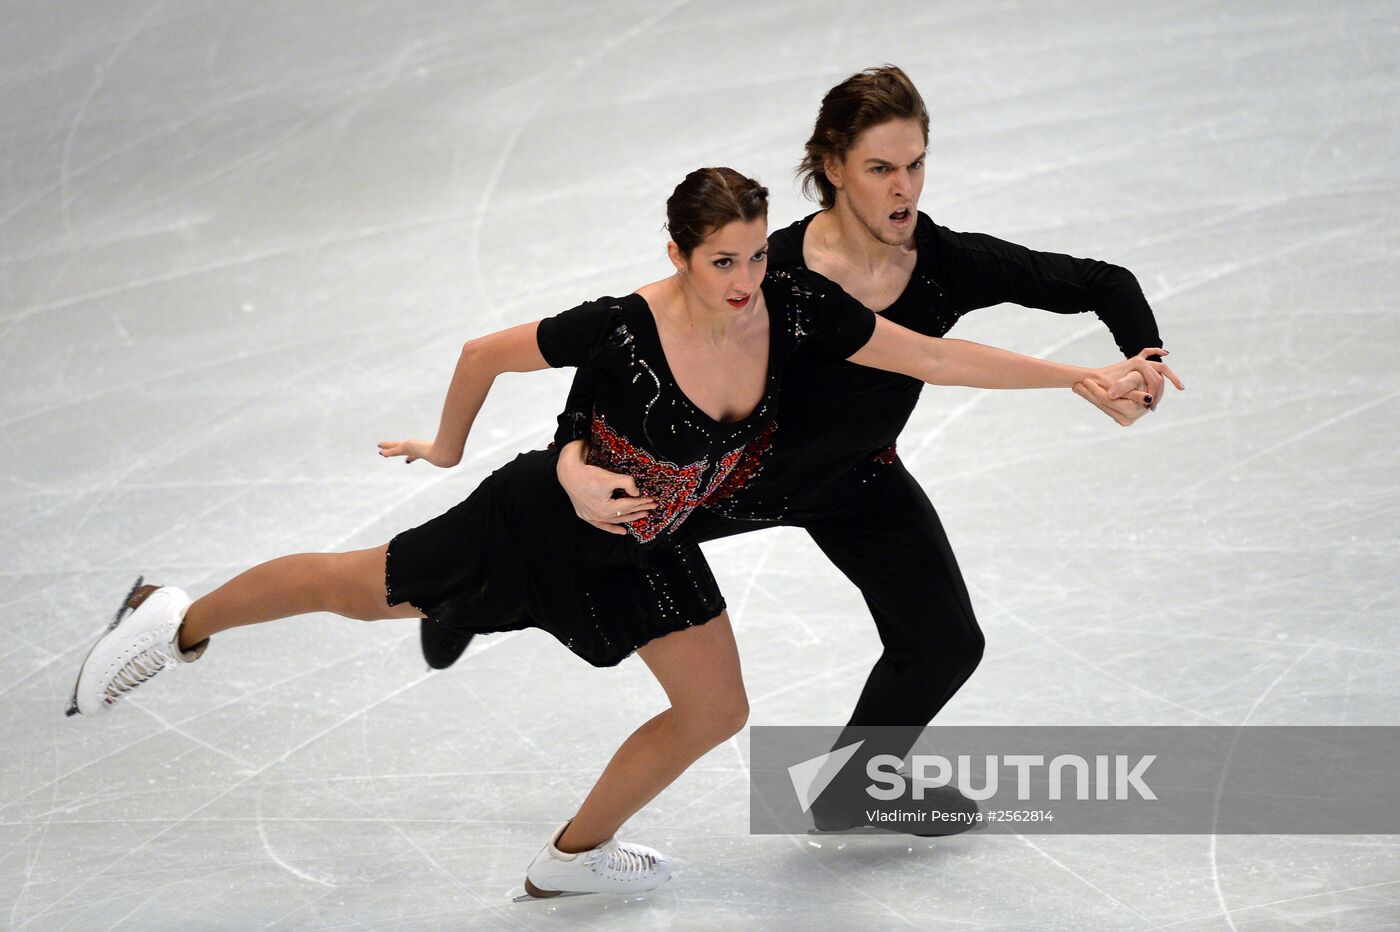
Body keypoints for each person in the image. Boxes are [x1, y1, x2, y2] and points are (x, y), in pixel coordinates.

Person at [69, 167, 1175, 898]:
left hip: (648, 543)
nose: (744, 282)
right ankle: (175, 616)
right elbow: (481, 355)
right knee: (364, 589)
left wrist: (1080, 373)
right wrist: (463, 452)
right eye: (721, 261)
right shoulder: (621, 325)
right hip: (541, 523)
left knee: (715, 707)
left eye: (755, 257)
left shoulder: (791, 307)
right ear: (679, 252)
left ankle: (569, 859)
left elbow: (928, 355)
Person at [423, 66, 1179, 833]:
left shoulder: (949, 264)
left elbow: (1097, 280)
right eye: (881, 168)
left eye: (915, 164)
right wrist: (573, 449)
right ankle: (462, 596)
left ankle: (854, 788)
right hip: (726, 481)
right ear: (832, 168)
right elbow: (634, 343)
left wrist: (1141, 361)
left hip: (857, 482)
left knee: (946, 642)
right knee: (565, 552)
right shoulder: (767, 271)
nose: (903, 188)